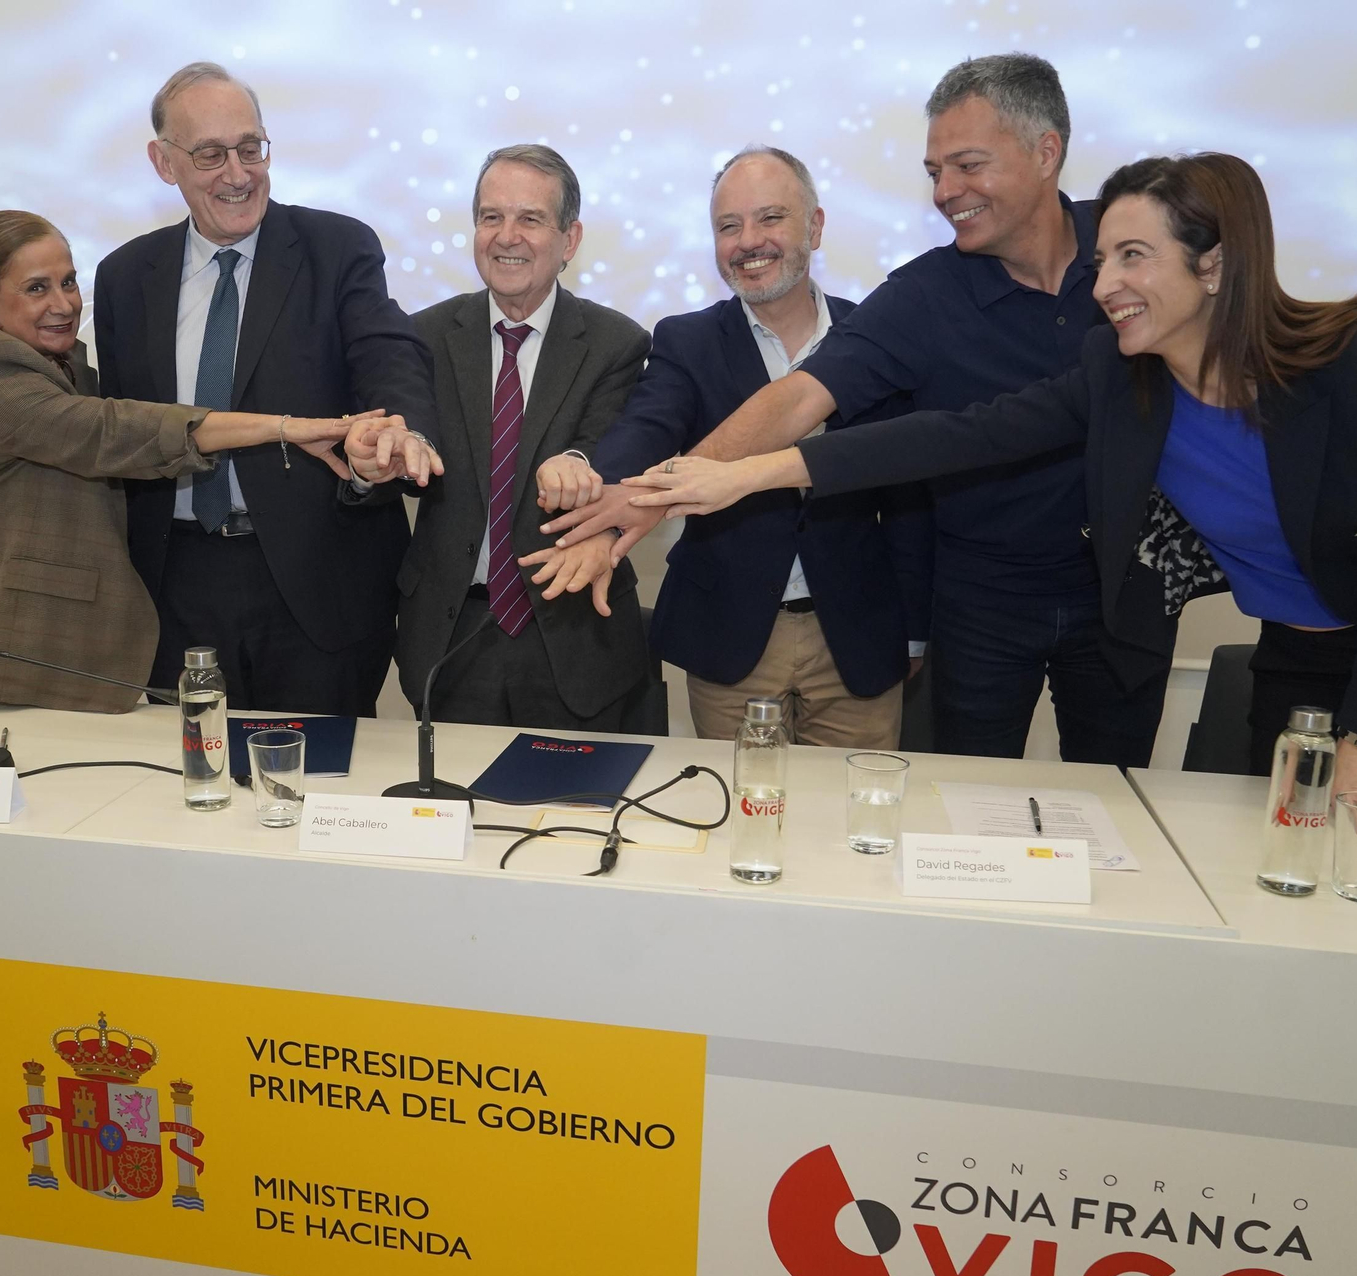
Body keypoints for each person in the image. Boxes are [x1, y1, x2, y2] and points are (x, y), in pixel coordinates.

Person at [622, 153, 1357, 801]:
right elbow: (957, 437)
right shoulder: (1122, 377)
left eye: (1133, 257)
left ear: (1215, 265)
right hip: (1290, 660)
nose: (1104, 285)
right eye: (1102, 261)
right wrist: (747, 474)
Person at [547, 54, 1166, 768]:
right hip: (982, 603)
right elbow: (802, 398)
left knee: (1119, 798)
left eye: (967, 165)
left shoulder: (1130, 255)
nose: (945, 192)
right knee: (967, 801)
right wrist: (644, 497)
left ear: (1046, 151)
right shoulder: (920, 297)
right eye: (934, 172)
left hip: (1121, 595)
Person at [0, 211, 382, 712]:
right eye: (37, 288)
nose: (63, 304)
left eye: (68, 282)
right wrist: (283, 428)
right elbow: (109, 432)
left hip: (15, 640)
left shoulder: (63, 364)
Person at [534, 146, 930, 746]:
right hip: (730, 637)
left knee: (848, 805)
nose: (749, 242)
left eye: (770, 218)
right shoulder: (686, 340)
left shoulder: (873, 340)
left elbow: (908, 495)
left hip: (858, 636)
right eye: (728, 226)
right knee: (741, 801)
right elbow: (645, 427)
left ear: (815, 227)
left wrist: (916, 631)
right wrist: (594, 487)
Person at [94, 62, 443, 716]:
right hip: (175, 589)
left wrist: (403, 429)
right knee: (190, 775)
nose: (238, 174)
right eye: (210, 154)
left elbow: (387, 351)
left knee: (321, 773)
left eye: (250, 148)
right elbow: (122, 433)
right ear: (164, 163)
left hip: (315, 587)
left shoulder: (336, 248)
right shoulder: (124, 277)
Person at [398, 146, 652, 729]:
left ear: (570, 239)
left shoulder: (617, 344)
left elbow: (612, 456)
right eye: (491, 217)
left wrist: (578, 462)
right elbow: (402, 463)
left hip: (574, 634)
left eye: (530, 219)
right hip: (451, 633)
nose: (506, 236)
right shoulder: (423, 336)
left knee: (575, 791)